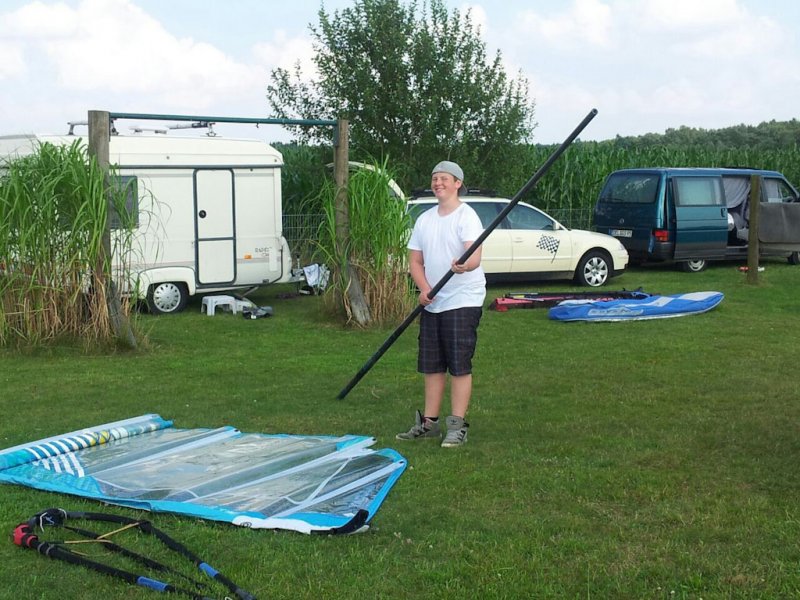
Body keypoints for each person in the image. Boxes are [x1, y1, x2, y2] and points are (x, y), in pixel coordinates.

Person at [396, 161, 486, 448]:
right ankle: (429, 424)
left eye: (444, 178)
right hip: (433, 301)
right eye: (435, 178)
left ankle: (457, 427)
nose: (438, 183)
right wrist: (424, 289)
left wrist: (464, 265)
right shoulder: (425, 219)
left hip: (463, 299)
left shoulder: (466, 216)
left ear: (457, 183)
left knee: (458, 365)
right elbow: (415, 260)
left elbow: (474, 257)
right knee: (432, 365)